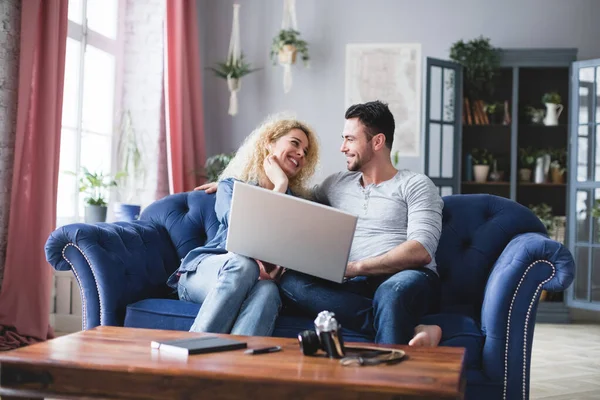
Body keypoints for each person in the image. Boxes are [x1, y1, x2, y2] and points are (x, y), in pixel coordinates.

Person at [197, 101, 443, 346]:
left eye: (350, 139)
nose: (342, 147)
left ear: (377, 142)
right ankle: (410, 328)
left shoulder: (416, 184)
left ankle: (384, 382)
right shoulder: (336, 185)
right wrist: (236, 187)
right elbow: (293, 203)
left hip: (404, 277)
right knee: (291, 283)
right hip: (353, 286)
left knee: (391, 294)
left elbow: (420, 250)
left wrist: (355, 268)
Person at [168, 115, 320, 336]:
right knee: (243, 264)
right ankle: (191, 352)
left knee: (269, 291)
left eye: (305, 152)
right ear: (269, 142)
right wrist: (279, 186)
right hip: (206, 272)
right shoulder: (231, 187)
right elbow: (244, 231)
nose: (300, 154)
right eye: (295, 143)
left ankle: (234, 367)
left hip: (258, 281)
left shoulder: (298, 206)